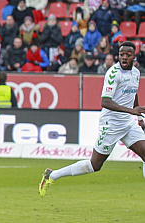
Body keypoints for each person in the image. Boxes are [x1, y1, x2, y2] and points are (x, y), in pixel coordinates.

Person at [40, 42, 145, 196]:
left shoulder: (136, 73)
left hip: (128, 123)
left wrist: (139, 117)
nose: (124, 57)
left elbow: (133, 93)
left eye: (128, 54)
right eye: (121, 54)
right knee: (94, 165)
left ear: (134, 56)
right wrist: (131, 111)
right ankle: (52, 175)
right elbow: (105, 101)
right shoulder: (113, 73)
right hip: (111, 124)